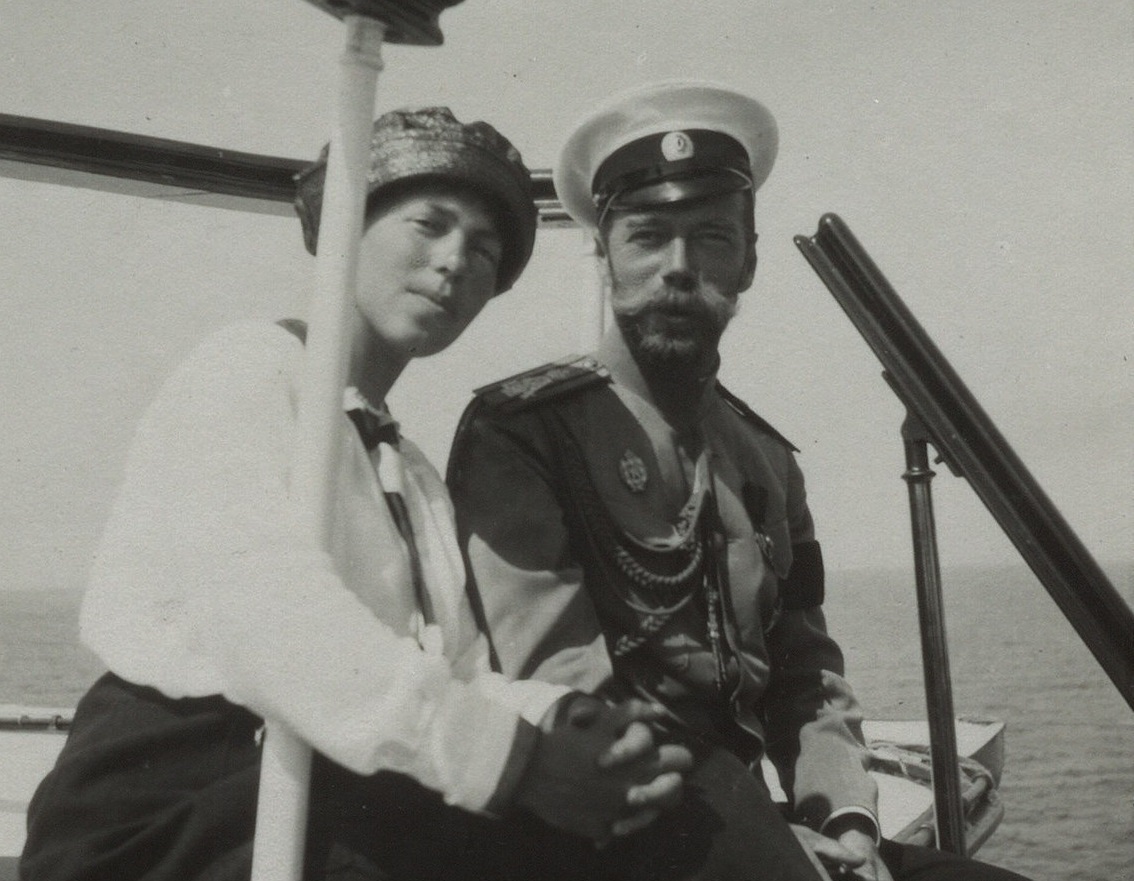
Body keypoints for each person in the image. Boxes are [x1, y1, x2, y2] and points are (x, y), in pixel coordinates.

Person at [19, 106, 693, 881]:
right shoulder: (249, 371)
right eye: (428, 226)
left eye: (484, 250)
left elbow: (461, 673)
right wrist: (514, 762)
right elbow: (269, 620)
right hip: (167, 811)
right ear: (346, 233)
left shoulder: (408, 470)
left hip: (319, 786)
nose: (454, 263)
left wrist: (570, 724)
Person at [448, 81, 1034, 881]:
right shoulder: (523, 433)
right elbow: (563, 689)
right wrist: (762, 842)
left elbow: (808, 676)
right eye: (648, 237)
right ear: (606, 255)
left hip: (749, 830)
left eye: (712, 238)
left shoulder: (766, 460)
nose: (678, 269)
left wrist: (848, 824)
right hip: (606, 829)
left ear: (749, 259)